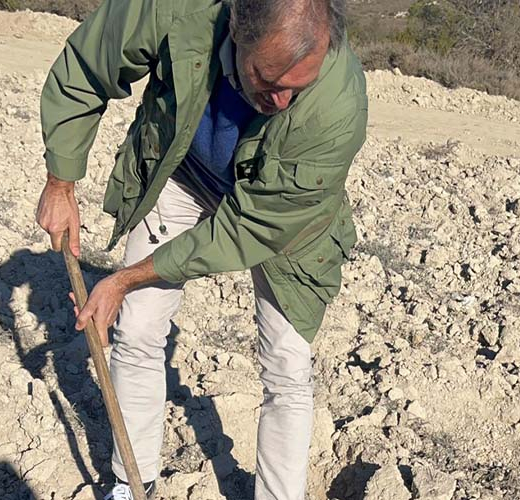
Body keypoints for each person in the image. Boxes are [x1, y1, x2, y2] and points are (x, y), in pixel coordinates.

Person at [36, 0, 367, 497]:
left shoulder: (337, 102)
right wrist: (60, 182)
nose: (281, 101)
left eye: (296, 88)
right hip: (183, 171)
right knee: (137, 328)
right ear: (236, 27)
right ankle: (133, 481)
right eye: (267, 80)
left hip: (279, 216)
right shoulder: (175, 8)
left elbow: (249, 228)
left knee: (287, 367)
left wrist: (124, 278)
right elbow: (88, 65)